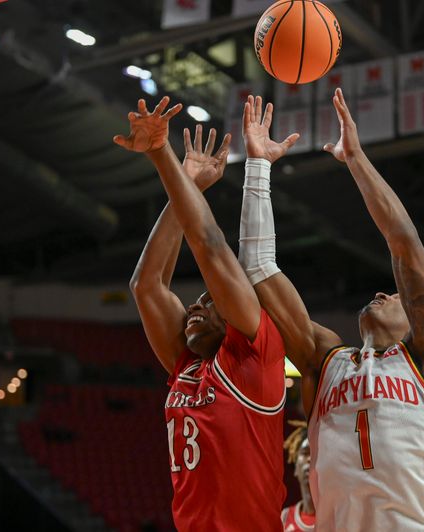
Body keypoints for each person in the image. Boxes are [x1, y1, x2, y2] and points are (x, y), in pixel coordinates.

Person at [238, 89, 424, 531]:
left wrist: (356, 160)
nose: (384, 292)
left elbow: (405, 246)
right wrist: (258, 166)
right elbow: (259, 270)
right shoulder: (326, 362)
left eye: (396, 296)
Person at [115, 97, 293, 530]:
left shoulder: (255, 353)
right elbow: (147, 286)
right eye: (195, 303)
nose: (195, 305)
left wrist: (163, 156)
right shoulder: (186, 365)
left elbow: (210, 245)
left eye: (208, 303)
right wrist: (187, 188)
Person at [281, 421, 315, 531]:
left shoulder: (336, 516)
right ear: (296, 468)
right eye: (305, 453)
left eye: (315, 454)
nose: (310, 459)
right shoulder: (284, 518)